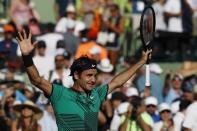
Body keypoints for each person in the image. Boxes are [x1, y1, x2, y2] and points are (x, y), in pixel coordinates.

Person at [16, 30, 151, 130]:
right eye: (88, 75)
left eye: (94, 75)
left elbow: (117, 81)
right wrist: (26, 55)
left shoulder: (96, 94)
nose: (93, 79)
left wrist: (142, 61)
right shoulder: (59, 93)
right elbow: (36, 80)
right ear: (76, 75)